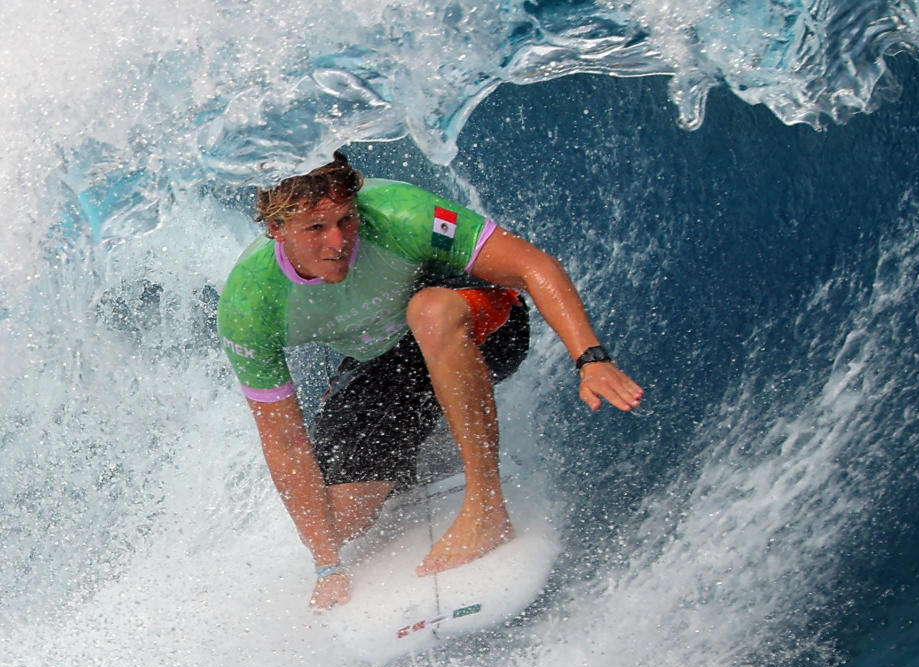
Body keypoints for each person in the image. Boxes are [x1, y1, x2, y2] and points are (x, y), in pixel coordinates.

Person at [217, 151, 644, 610]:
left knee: (430, 312)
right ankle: (409, 455)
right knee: (338, 524)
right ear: (277, 229)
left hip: (479, 321)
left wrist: (591, 359)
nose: (338, 241)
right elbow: (284, 441)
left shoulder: (403, 212)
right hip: (385, 362)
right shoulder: (250, 303)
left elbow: (531, 266)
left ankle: (486, 509)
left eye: (346, 219)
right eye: (315, 229)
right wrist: (327, 564)